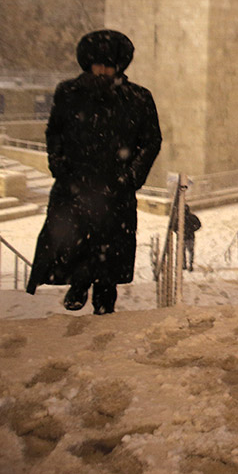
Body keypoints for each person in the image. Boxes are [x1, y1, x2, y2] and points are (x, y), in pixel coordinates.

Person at [27, 29, 162, 315]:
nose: (101, 71)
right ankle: (79, 283)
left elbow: (151, 141)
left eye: (108, 65)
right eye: (97, 64)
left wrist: (132, 176)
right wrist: (60, 166)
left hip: (116, 188)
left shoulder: (138, 98)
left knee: (110, 248)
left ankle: (104, 299)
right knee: (74, 240)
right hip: (76, 185)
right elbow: (55, 132)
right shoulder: (68, 93)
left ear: (119, 66)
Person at [183, 205, 202, 271]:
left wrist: (192, 229)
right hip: (186, 237)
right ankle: (185, 264)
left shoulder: (191, 217)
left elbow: (198, 225)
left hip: (188, 237)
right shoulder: (181, 218)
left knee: (188, 251)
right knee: (186, 251)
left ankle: (188, 264)